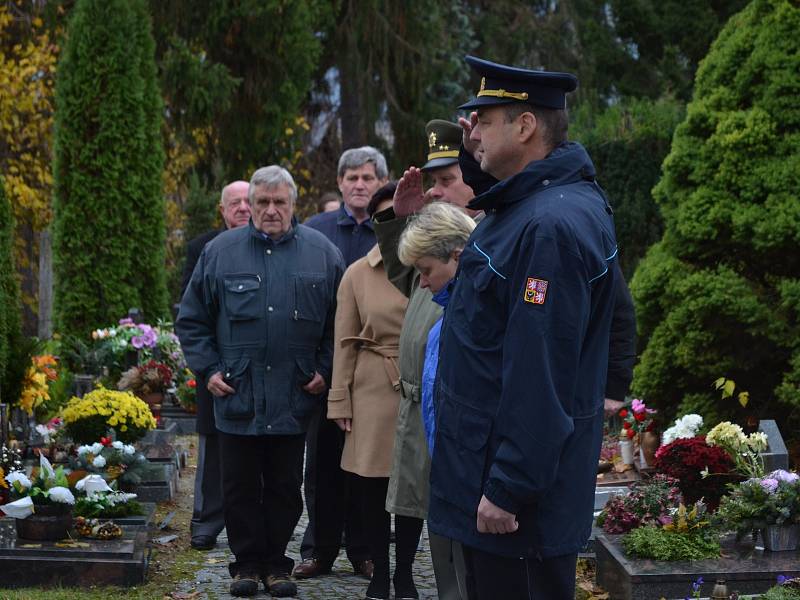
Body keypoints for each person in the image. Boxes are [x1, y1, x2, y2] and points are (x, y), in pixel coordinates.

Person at [427, 56, 619, 599]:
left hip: (519, 510)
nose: (473, 133)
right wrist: (479, 158)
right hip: (496, 482)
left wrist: (509, 486)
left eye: (484, 120)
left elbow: (543, 370)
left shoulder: (548, 228)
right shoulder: (534, 205)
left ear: (526, 125)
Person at [176, 166, 344, 598]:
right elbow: (192, 319)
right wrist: (209, 369)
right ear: (249, 205)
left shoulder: (322, 254)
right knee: (239, 487)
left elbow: (338, 323)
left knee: (286, 488)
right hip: (237, 393)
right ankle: (246, 565)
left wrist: (325, 368)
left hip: (294, 394)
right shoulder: (221, 252)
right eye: (263, 203)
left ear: (293, 204)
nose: (271, 211)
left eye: (279, 203)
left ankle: (277, 565)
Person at [374, 119, 477, 600]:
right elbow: (410, 278)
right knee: (438, 537)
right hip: (422, 412)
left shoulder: (487, 248)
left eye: (446, 181)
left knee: (464, 551)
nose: (435, 192)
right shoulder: (441, 249)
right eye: (432, 182)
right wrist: (405, 221)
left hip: (458, 422)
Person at [295, 146, 389, 580]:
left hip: (374, 372)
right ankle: (319, 548)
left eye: (367, 177)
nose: (359, 184)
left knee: (368, 468)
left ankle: (366, 550)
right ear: (339, 183)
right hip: (325, 369)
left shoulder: (390, 231)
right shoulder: (314, 232)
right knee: (323, 468)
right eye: (351, 177)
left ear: (380, 184)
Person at [326, 182, 421, 600]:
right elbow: (343, 342)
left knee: (413, 485)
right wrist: (339, 399)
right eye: (384, 217)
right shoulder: (357, 274)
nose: (392, 225)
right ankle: (379, 572)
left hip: (417, 383)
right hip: (370, 390)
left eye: (399, 216)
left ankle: (406, 573)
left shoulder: (427, 266)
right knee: (371, 489)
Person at [180, 180, 251, 551]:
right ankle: (206, 522)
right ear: (222, 211)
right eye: (233, 203)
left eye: (247, 201)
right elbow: (191, 311)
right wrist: (209, 366)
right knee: (212, 448)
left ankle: (255, 527)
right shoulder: (202, 248)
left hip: (260, 367)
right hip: (218, 367)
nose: (242, 207)